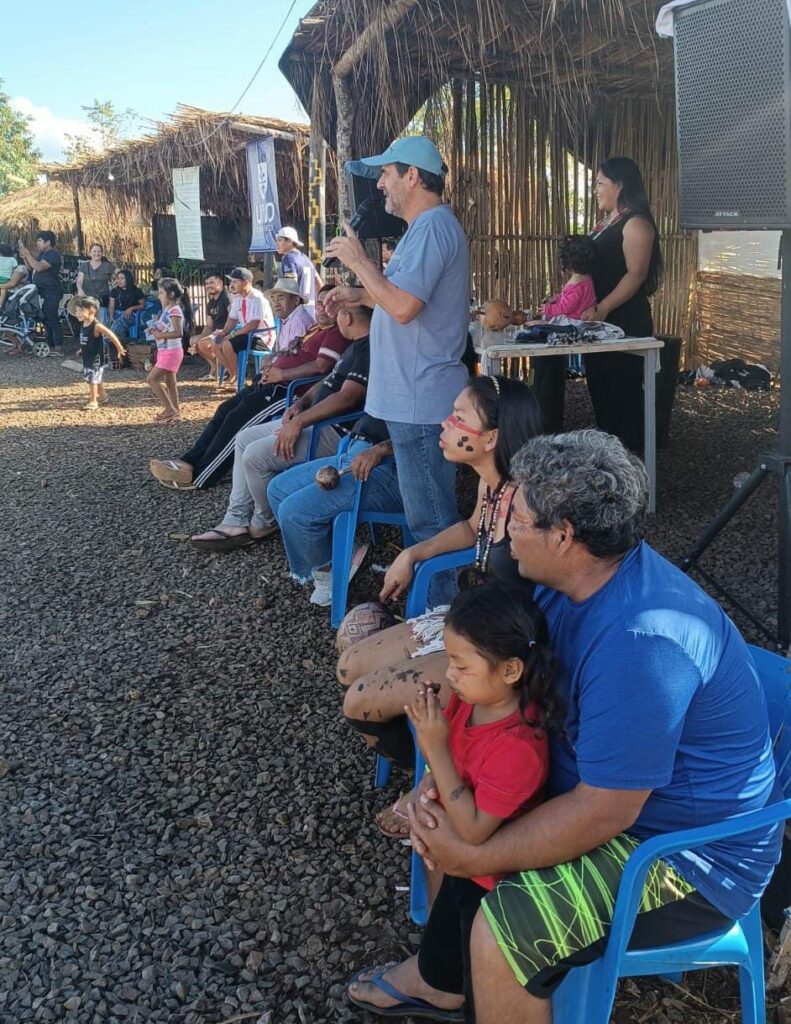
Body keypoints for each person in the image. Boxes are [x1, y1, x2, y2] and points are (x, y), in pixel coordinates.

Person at [399, 430, 781, 1024]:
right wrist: (457, 773)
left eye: (518, 519)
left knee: (506, 931)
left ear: (564, 535)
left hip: (684, 854)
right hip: (614, 799)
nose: (504, 531)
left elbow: (606, 813)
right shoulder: (569, 584)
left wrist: (477, 853)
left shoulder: (642, 644)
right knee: (452, 822)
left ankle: (472, 977)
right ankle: (443, 981)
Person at [348, 583, 555, 1021]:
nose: (451, 674)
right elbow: (460, 765)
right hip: (463, 866)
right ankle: (441, 984)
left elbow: (474, 831)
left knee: (471, 964)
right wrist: (429, 785)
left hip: (490, 881)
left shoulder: (518, 748)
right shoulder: (471, 701)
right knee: (446, 935)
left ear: (510, 669)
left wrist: (434, 748)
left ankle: (454, 993)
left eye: (461, 665)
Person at [337, 376, 544, 777]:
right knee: (348, 667)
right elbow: (471, 528)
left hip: (495, 649)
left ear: (491, 438)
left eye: (459, 417)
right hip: (468, 618)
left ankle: (447, 776)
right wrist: (413, 553)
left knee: (359, 701)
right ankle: (435, 758)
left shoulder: (527, 503)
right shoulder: (492, 485)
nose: (445, 424)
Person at [326, 136, 470, 608]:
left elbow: (405, 307)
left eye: (386, 173)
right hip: (414, 395)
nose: (380, 184)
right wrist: (358, 294)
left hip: (421, 397)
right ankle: (438, 609)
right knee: (426, 516)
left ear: (412, 175)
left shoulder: (432, 228)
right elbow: (401, 297)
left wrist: (359, 262)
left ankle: (442, 616)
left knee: (432, 521)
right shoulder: (423, 229)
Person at [189, 305, 372, 552]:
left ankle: (266, 520)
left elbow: (347, 398)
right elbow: (326, 382)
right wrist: (301, 403)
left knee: (255, 456)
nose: (334, 316)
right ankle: (236, 518)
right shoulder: (354, 345)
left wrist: (300, 421)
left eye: (338, 312)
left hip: (334, 430)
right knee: (244, 437)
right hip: (312, 418)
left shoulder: (369, 348)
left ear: (346, 317)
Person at [148, 288, 349, 490]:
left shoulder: (335, 333)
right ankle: (188, 461)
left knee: (237, 421)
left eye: (327, 303)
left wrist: (282, 374)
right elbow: (292, 352)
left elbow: (322, 366)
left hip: (288, 391)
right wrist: (273, 360)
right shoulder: (316, 329)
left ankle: (201, 476)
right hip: (272, 383)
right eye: (319, 302)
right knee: (225, 410)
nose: (321, 308)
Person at [268, 413, 397, 607]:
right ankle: (340, 554)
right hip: (359, 447)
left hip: (390, 465)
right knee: (277, 490)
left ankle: (330, 570)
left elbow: (423, 436)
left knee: (293, 513)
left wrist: (379, 450)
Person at [579, 157, 663, 455]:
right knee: (601, 391)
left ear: (620, 185)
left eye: (601, 183)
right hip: (599, 322)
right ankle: (610, 463)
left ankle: (632, 464)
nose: (596, 190)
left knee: (623, 394)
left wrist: (603, 308)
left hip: (624, 321)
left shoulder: (636, 223)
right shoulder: (606, 223)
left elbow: (635, 274)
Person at [530, 234, 599, 433]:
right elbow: (565, 297)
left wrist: (548, 309)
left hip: (573, 322)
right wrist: (556, 297)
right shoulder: (585, 278)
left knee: (543, 326)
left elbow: (566, 307)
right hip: (575, 317)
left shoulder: (578, 282)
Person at [214, 267, 275, 386]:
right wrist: (224, 332)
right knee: (216, 343)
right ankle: (234, 374)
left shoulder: (257, 298)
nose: (231, 285)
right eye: (231, 281)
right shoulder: (238, 298)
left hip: (262, 338)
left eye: (235, 282)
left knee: (227, 344)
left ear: (246, 282)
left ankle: (239, 379)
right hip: (247, 335)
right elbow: (232, 319)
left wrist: (232, 335)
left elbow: (253, 324)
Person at [72, 296, 126, 411]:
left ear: (91, 310)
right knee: (97, 379)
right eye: (76, 311)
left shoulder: (96, 325)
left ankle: (93, 401)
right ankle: (103, 396)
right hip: (87, 357)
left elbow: (110, 334)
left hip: (95, 359)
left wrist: (119, 348)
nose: (77, 314)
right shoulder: (84, 324)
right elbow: (86, 340)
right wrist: (81, 349)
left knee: (92, 380)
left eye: (80, 311)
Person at [147, 277, 186, 424]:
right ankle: (175, 412)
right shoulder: (167, 310)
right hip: (165, 350)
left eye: (162, 293)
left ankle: (169, 408)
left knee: (152, 379)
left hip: (171, 351)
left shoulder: (174, 310)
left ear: (171, 295)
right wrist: (155, 329)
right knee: (170, 383)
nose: (159, 296)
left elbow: (178, 332)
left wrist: (160, 335)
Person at [18, 231, 63, 353]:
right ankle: (50, 342)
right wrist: (25, 258)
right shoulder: (42, 254)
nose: (37, 243)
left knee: (52, 316)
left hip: (51, 291)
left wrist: (28, 254)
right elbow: (31, 268)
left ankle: (58, 344)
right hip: (41, 291)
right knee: (44, 317)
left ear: (48, 242)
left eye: (40, 241)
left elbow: (39, 267)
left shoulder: (53, 255)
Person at [192, 269, 230, 379]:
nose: (209, 286)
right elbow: (209, 325)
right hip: (215, 333)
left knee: (203, 343)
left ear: (220, 283)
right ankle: (215, 367)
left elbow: (233, 319)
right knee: (193, 341)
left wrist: (223, 332)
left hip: (227, 333)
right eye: (207, 283)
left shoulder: (227, 298)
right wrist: (202, 337)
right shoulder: (211, 303)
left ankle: (226, 368)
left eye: (212, 282)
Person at [265, 277, 316, 353]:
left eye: (281, 298)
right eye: (273, 299)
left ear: (296, 300)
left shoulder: (299, 321)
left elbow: (294, 356)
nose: (276, 303)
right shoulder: (288, 318)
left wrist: (272, 358)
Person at [276, 226, 322, 307]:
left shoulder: (288, 258)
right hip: (311, 307)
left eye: (279, 240)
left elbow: (291, 284)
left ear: (290, 241)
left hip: (297, 307)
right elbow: (319, 283)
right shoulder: (306, 259)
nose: (277, 244)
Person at [75, 244, 116, 323]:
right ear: (90, 253)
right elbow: (79, 280)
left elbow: (120, 274)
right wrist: (80, 289)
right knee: (87, 322)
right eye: (94, 251)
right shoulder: (84, 266)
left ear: (102, 253)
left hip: (101, 300)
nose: (96, 253)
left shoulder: (107, 266)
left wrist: (116, 282)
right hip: (87, 299)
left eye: (99, 251)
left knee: (100, 323)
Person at [108, 269, 146, 340]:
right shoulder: (114, 291)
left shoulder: (136, 291)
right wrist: (111, 318)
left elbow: (143, 305)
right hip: (116, 314)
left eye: (122, 278)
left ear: (128, 279)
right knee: (109, 323)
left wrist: (131, 308)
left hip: (129, 315)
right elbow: (111, 306)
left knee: (118, 324)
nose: (119, 281)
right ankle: (119, 342)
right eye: (118, 278)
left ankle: (110, 340)